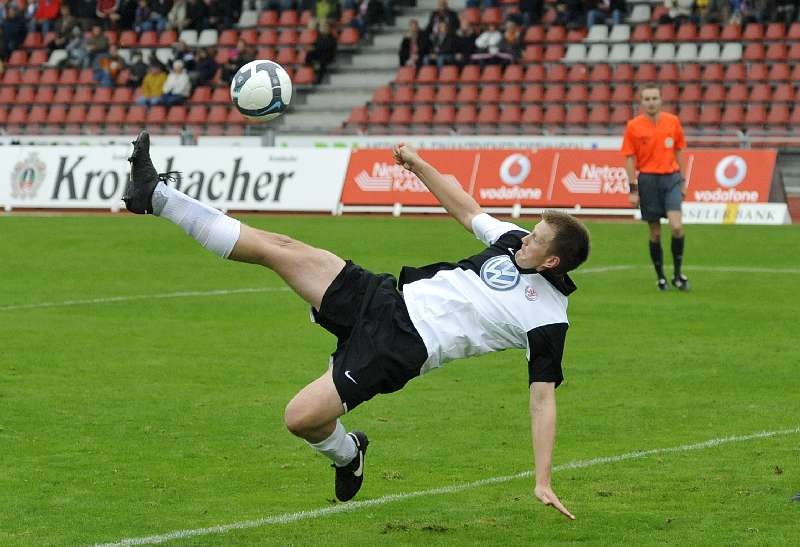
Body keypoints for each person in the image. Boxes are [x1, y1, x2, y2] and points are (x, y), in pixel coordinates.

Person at [123, 131, 590, 516]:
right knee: (278, 248)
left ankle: (349, 454)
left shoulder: (548, 318)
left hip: (398, 348)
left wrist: (543, 478)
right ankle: (156, 195)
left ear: (551, 261)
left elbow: (542, 400)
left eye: (536, 239)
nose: (524, 236)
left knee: (300, 418)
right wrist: (417, 163)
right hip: (384, 297)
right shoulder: (511, 242)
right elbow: (467, 209)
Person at [622, 84, 689, 292]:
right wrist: (633, 189)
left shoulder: (673, 122)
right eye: (647, 99)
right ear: (642, 103)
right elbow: (630, 159)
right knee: (655, 232)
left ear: (661, 100)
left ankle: (678, 274)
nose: (651, 102)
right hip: (648, 180)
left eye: (654, 98)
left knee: (677, 226)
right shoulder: (634, 126)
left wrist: (683, 180)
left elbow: (679, 151)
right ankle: (661, 277)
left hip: (671, 179)